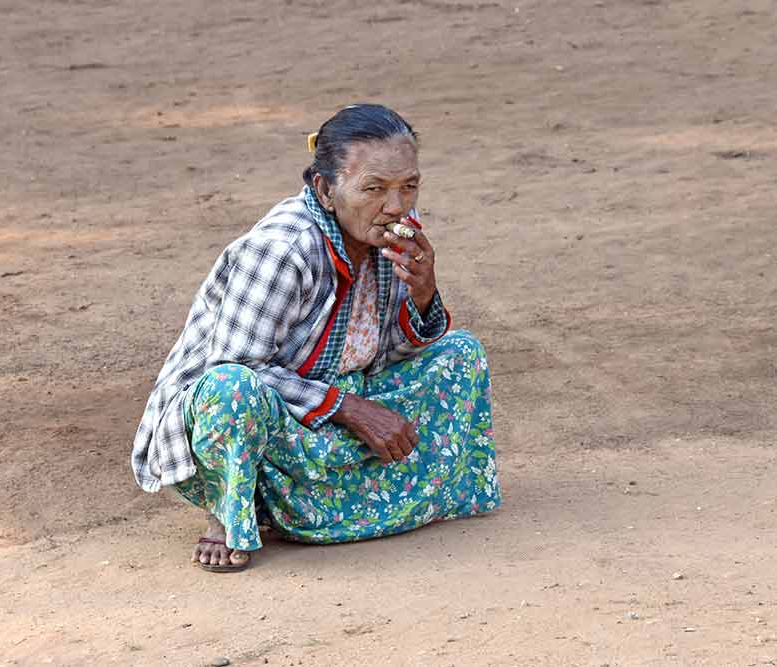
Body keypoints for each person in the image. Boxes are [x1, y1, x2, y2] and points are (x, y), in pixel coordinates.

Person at [131, 104, 501, 572]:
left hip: (333, 398)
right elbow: (230, 368)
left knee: (459, 353)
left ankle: (328, 510)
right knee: (231, 393)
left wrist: (424, 290)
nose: (396, 206)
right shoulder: (283, 250)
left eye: (409, 186)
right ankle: (228, 513)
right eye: (374, 189)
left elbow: (389, 351)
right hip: (265, 415)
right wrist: (350, 409)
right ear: (326, 191)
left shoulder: (387, 234)